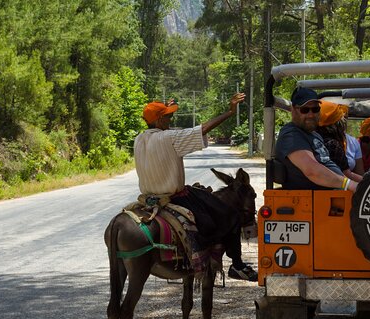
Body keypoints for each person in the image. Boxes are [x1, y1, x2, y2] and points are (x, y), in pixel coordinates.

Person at [134, 93, 258, 281]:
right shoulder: (170, 138)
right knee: (230, 215)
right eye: (168, 116)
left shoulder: (139, 139)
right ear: (159, 120)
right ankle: (237, 265)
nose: (171, 120)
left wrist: (164, 109)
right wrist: (230, 112)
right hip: (175, 196)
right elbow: (203, 129)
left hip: (148, 197)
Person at [275, 87, 358, 192]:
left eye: (315, 109)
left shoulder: (314, 135)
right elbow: (312, 171)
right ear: (293, 110)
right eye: (304, 110)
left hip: (332, 197)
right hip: (314, 202)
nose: (311, 115)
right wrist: (349, 184)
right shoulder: (291, 135)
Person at [316, 100, 363, 183]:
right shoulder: (332, 145)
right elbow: (347, 175)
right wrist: (369, 181)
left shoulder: (313, 138)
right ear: (337, 123)